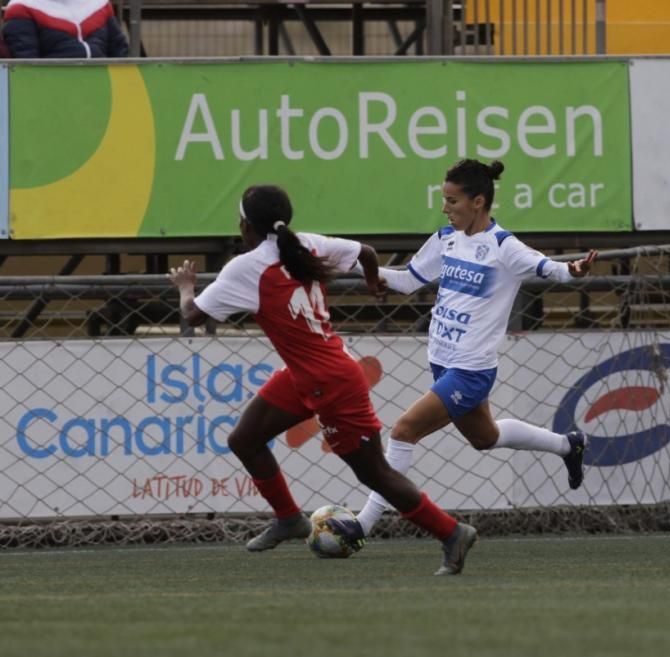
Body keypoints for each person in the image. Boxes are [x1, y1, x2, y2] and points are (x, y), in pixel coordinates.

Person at [167, 184, 477, 576]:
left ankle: (452, 532)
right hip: (308, 373)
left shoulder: (246, 268)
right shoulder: (307, 244)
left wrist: (185, 288)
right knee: (244, 439)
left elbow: (193, 316)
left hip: (330, 382)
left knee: (374, 472)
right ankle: (288, 520)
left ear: (246, 225)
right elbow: (364, 252)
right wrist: (370, 280)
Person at [329, 159, 598, 547]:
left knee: (403, 431)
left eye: (452, 201)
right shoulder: (445, 239)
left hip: (471, 370)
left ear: (478, 201)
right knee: (484, 438)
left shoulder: (503, 247)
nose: (445, 208)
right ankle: (568, 445)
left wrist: (573, 269)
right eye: (444, 200)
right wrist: (356, 264)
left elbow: (547, 268)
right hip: (441, 362)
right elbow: (406, 282)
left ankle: (363, 524)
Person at [2, 0, 129, 58]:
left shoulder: (100, 4)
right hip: (53, 93)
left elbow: (119, 52)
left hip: (103, 89)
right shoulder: (22, 7)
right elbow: (27, 67)